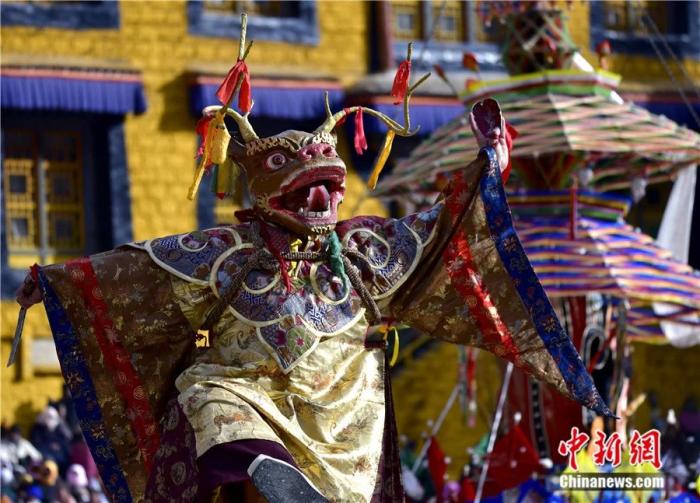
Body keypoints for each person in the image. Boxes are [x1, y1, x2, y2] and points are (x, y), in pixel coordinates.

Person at [15, 23, 610, 502]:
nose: (321, 193)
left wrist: (488, 170)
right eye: (296, 179)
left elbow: (439, 230)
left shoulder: (363, 252)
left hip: (344, 408)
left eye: (328, 181)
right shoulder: (224, 252)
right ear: (260, 191)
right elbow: (134, 269)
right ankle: (264, 467)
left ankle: (299, 484)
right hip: (248, 393)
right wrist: (54, 282)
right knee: (209, 399)